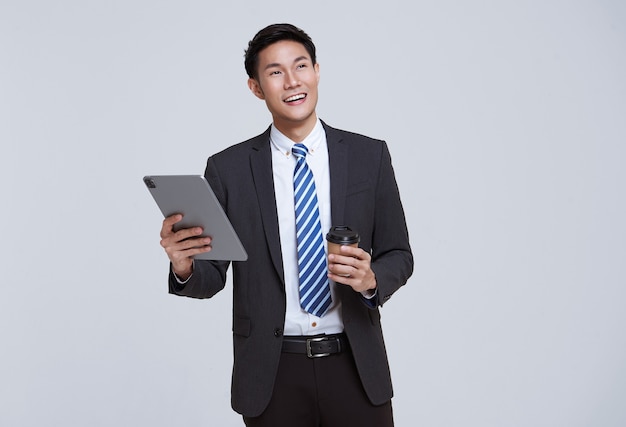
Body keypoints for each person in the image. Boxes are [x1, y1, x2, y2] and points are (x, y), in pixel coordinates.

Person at [159, 23, 413, 427]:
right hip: (272, 373)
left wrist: (370, 280)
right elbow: (210, 276)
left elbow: (399, 254)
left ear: (316, 70)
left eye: (301, 66)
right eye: (275, 72)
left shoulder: (370, 156)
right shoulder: (228, 170)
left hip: (355, 366)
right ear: (256, 87)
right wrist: (183, 265)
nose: (292, 81)